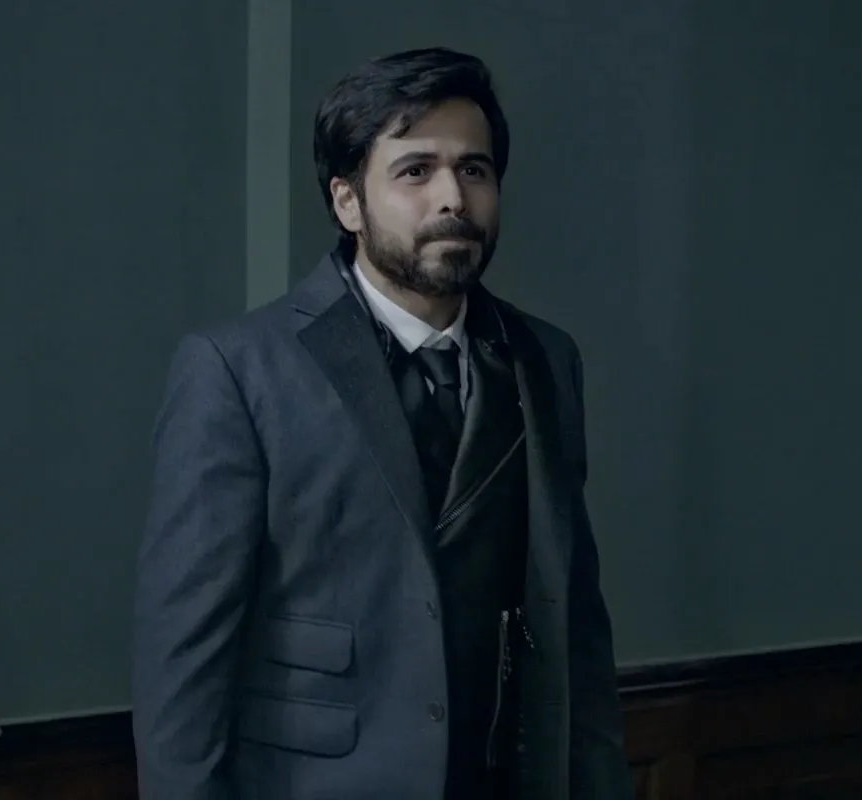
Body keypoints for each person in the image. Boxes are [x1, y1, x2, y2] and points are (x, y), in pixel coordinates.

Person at [131, 47, 632, 800]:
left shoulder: (545, 359)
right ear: (347, 202)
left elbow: (576, 628)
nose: (453, 198)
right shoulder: (237, 369)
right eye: (415, 171)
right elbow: (183, 662)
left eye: (474, 169)